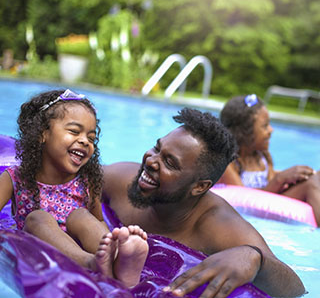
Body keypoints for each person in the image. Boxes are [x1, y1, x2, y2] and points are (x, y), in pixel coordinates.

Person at [66, 107, 306, 298]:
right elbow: (63, 177)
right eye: (157, 148)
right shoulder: (121, 181)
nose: (151, 161)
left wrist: (255, 258)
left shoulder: (216, 226)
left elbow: (295, 289)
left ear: (199, 186)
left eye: (170, 163)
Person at [0, 89, 148, 287]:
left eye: (91, 138)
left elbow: (98, 222)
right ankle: (91, 262)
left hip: (79, 243)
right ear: (43, 133)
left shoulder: (86, 182)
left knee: (80, 215)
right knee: (38, 217)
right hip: (40, 245)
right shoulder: (15, 178)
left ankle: (121, 261)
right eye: (74, 131)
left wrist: (109, 239)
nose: (85, 141)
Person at [219, 94, 320, 227]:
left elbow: (271, 185)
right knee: (311, 184)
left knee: (315, 176)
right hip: (245, 215)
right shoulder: (229, 163)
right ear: (244, 132)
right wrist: (280, 180)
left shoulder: (263, 157)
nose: (271, 130)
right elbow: (242, 199)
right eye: (265, 126)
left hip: (266, 204)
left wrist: (293, 177)